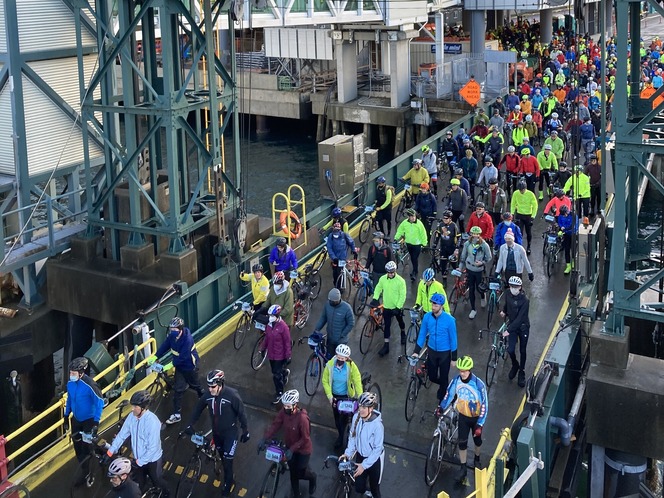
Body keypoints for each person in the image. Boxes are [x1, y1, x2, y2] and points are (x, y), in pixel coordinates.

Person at [184, 370, 250, 496]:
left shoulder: (232, 395)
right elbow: (197, 409)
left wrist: (245, 430)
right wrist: (189, 424)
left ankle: (228, 483)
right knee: (223, 459)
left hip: (230, 434)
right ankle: (228, 474)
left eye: (213, 386)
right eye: (208, 386)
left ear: (220, 384)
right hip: (217, 434)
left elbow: (242, 413)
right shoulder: (208, 396)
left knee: (227, 461)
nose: (210, 389)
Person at [106, 391, 169, 496]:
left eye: (135, 407)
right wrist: (110, 451)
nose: (132, 409)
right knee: (139, 485)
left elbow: (152, 448)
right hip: (137, 459)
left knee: (157, 481)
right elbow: (122, 435)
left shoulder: (152, 422)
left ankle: (166, 494)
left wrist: (139, 462)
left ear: (143, 408)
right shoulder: (132, 417)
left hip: (152, 460)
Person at [439, 356, 488, 481]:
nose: (462, 373)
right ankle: (463, 468)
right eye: (460, 370)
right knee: (462, 443)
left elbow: (485, 405)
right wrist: (441, 407)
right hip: (463, 417)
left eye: (465, 371)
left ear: (470, 370)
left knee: (477, 441)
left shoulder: (478, 384)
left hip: (476, 419)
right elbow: (449, 394)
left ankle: (477, 458)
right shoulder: (456, 380)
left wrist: (480, 423)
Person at [261, 390, 317, 498]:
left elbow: (305, 438)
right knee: (293, 473)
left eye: (288, 406)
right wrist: (265, 438)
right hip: (290, 447)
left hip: (303, 450)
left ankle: (312, 477)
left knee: (300, 473)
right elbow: (275, 425)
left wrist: (292, 449)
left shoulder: (302, 419)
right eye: (284, 405)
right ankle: (296, 495)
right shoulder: (283, 412)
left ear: (295, 405)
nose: (285, 408)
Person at [149, 317, 205, 425]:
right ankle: (176, 414)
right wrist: (155, 356)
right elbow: (165, 346)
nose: (172, 332)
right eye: (171, 329)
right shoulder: (172, 337)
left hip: (189, 366)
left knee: (195, 384)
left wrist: (168, 366)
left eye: (174, 330)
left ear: (180, 329)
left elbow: (183, 357)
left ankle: (203, 396)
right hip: (179, 367)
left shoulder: (187, 339)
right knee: (178, 390)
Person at [411, 293, 457, 402]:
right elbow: (422, 334)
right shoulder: (427, 317)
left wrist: (454, 358)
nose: (433, 307)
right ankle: (446, 387)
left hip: (445, 353)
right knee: (432, 377)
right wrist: (416, 351)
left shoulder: (450, 320)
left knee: (444, 377)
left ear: (441, 306)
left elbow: (453, 339)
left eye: (436, 306)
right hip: (432, 351)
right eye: (432, 304)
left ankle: (442, 398)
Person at [65, 357, 104, 481]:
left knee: (86, 447)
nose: (71, 375)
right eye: (70, 373)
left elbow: (100, 402)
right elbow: (70, 399)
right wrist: (66, 416)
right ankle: (95, 455)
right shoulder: (70, 384)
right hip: (76, 420)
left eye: (73, 373)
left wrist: (96, 422)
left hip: (89, 420)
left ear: (81, 374)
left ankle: (87, 472)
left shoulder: (90, 385)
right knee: (77, 447)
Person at [340, 392, 384, 498]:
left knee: (375, 489)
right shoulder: (357, 417)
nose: (361, 409)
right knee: (359, 487)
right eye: (360, 406)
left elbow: (377, 450)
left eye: (364, 407)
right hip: (360, 456)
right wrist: (347, 454)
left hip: (374, 460)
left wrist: (364, 466)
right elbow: (353, 438)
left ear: (371, 408)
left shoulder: (378, 426)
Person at [321, 344, 363, 449]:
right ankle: (341, 435)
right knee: (337, 418)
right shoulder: (330, 365)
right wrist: (330, 397)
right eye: (338, 357)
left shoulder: (351, 366)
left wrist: (360, 395)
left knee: (344, 418)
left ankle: (343, 436)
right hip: (335, 396)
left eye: (342, 358)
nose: (340, 359)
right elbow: (325, 381)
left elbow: (357, 380)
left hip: (346, 396)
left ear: (346, 358)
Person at [370, 261, 407, 357]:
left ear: (395, 271)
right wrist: (375, 298)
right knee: (387, 326)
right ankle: (386, 345)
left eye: (392, 272)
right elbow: (378, 288)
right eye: (389, 272)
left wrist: (398, 307)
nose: (390, 274)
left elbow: (402, 295)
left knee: (400, 321)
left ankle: (403, 333)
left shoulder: (400, 281)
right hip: (386, 307)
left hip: (396, 308)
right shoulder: (383, 279)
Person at [500, 276, 530, 388]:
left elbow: (520, 318)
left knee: (522, 350)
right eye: (512, 286)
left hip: (522, 327)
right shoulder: (507, 293)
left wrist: (508, 330)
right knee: (510, 349)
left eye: (516, 287)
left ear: (520, 287)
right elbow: (507, 304)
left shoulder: (525, 300)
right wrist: (504, 311)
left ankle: (521, 371)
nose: (513, 288)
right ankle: (515, 364)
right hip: (512, 326)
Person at [260, 305, 293, 404]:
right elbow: (267, 338)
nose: (270, 317)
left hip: (280, 355)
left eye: (272, 315)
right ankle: (284, 372)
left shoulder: (283, 327)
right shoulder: (269, 325)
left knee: (276, 375)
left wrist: (288, 356)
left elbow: (287, 342)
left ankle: (279, 392)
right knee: (275, 371)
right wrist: (263, 348)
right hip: (271, 354)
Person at [459, 226, 491, 320]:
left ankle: (482, 296)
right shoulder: (467, 244)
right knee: (471, 289)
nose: (475, 236)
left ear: (479, 235)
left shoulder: (484, 245)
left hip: (478, 270)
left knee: (479, 287)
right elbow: (463, 256)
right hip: (469, 268)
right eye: (473, 234)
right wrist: (460, 268)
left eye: (477, 234)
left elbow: (489, 257)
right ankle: (473, 309)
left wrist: (482, 263)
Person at [314, 288, 355, 354]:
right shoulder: (327, 305)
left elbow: (351, 323)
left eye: (333, 301)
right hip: (330, 339)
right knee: (329, 359)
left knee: (339, 360)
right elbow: (323, 318)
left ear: (338, 300)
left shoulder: (347, 308)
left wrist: (342, 334)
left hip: (341, 341)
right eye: (330, 300)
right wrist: (317, 329)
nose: (331, 302)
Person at [395, 208, 428, 281]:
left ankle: (415, 272)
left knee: (414, 258)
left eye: (414, 216)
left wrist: (424, 243)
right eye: (412, 216)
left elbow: (423, 234)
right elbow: (400, 230)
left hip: (417, 245)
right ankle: (414, 270)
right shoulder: (405, 223)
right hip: (409, 243)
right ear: (408, 217)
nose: (413, 218)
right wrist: (396, 238)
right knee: (412, 258)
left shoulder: (419, 224)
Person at [326, 222, 358, 290]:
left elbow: (351, 242)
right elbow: (329, 248)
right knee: (335, 274)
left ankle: (340, 287)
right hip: (335, 259)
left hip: (342, 258)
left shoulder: (344, 235)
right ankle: (336, 285)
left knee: (340, 272)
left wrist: (353, 250)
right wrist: (334, 258)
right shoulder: (330, 237)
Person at [511, 180, 538, 255]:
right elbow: (513, 203)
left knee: (528, 232)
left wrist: (533, 216)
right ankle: (519, 246)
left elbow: (535, 206)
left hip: (528, 215)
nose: (521, 191)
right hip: (519, 214)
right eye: (520, 190)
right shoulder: (516, 193)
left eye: (522, 190)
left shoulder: (530, 194)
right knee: (519, 232)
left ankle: (528, 246)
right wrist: (512, 214)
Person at [431, 210, 460, 278]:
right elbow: (437, 235)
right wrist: (435, 244)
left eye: (446, 218)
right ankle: (444, 278)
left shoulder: (454, 226)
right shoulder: (441, 225)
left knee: (454, 264)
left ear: (450, 218)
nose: (444, 219)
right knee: (443, 263)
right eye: (443, 218)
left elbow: (459, 238)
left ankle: (458, 279)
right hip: (443, 247)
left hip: (451, 247)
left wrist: (457, 248)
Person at [557, 205, 578, 274]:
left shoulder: (573, 215)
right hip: (566, 234)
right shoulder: (561, 215)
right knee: (567, 249)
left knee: (573, 248)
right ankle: (568, 265)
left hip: (573, 234)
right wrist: (561, 227)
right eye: (563, 215)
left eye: (565, 214)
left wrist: (564, 229)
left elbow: (573, 225)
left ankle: (573, 261)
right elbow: (559, 222)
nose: (564, 216)